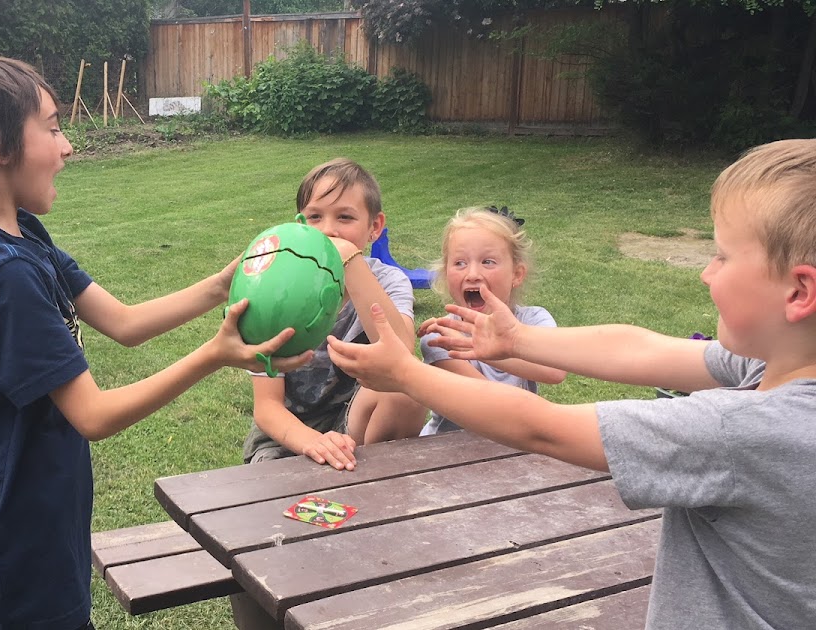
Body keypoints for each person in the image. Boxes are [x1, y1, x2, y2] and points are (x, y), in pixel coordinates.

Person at [327, 138, 816, 628]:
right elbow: (640, 349)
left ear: (799, 291)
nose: (707, 273)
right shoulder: (768, 368)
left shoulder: (748, 429)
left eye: (723, 257)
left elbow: (546, 428)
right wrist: (518, 339)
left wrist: (407, 374)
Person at [0, 40, 312, 630]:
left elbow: (122, 322)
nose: (68, 145)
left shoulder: (16, 237)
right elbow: (93, 415)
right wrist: (214, 354)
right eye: (51, 129)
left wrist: (223, 284)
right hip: (19, 534)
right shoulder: (2, 275)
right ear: (0, 147)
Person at [243, 158, 427, 471]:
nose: (329, 230)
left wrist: (352, 264)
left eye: (345, 217)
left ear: (374, 227)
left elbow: (403, 352)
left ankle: (375, 485)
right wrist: (311, 441)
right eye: (315, 217)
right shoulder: (277, 289)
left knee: (407, 389)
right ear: (300, 226)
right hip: (285, 435)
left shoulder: (387, 281)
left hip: (355, 425)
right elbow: (267, 406)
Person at [416, 206, 565, 435]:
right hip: (450, 453)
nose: (473, 273)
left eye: (488, 262)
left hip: (514, 446)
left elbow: (554, 371)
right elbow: (493, 406)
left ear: (517, 274)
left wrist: (484, 347)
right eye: (460, 263)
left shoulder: (534, 320)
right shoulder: (441, 337)